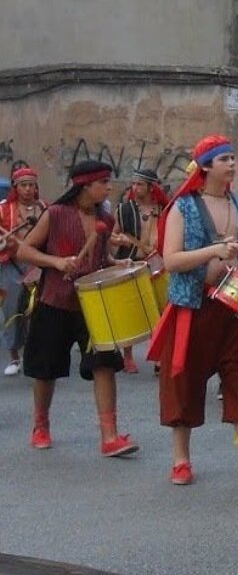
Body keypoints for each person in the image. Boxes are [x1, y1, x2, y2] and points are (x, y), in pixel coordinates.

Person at [148, 134, 238, 486]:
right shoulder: (183, 206)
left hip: (235, 308)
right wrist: (212, 252)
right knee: (183, 384)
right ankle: (181, 461)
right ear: (206, 167)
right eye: (224, 158)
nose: (232, 163)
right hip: (193, 308)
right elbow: (171, 259)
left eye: (233, 157)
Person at [14, 160, 138, 456]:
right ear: (85, 186)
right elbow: (23, 249)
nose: (109, 188)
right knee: (46, 370)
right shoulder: (55, 214)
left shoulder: (105, 219)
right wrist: (57, 262)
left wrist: (120, 264)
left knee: (105, 364)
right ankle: (41, 425)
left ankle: (110, 437)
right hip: (54, 301)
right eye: (104, 183)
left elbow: (101, 258)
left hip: (93, 305)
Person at [110, 167, 169, 373]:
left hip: (156, 264)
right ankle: (127, 357)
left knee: (161, 310)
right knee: (131, 310)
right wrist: (121, 239)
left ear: (151, 187)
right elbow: (112, 235)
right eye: (133, 184)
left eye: (140, 184)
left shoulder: (164, 209)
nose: (135, 188)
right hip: (131, 263)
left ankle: (159, 355)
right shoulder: (124, 210)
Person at [1, 166, 45, 376]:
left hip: (37, 266)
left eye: (31, 185)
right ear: (15, 187)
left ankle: (33, 354)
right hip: (12, 265)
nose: (28, 189)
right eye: (23, 185)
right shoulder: (3, 209)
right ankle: (14, 357)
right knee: (12, 309)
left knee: (37, 311)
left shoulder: (45, 209)